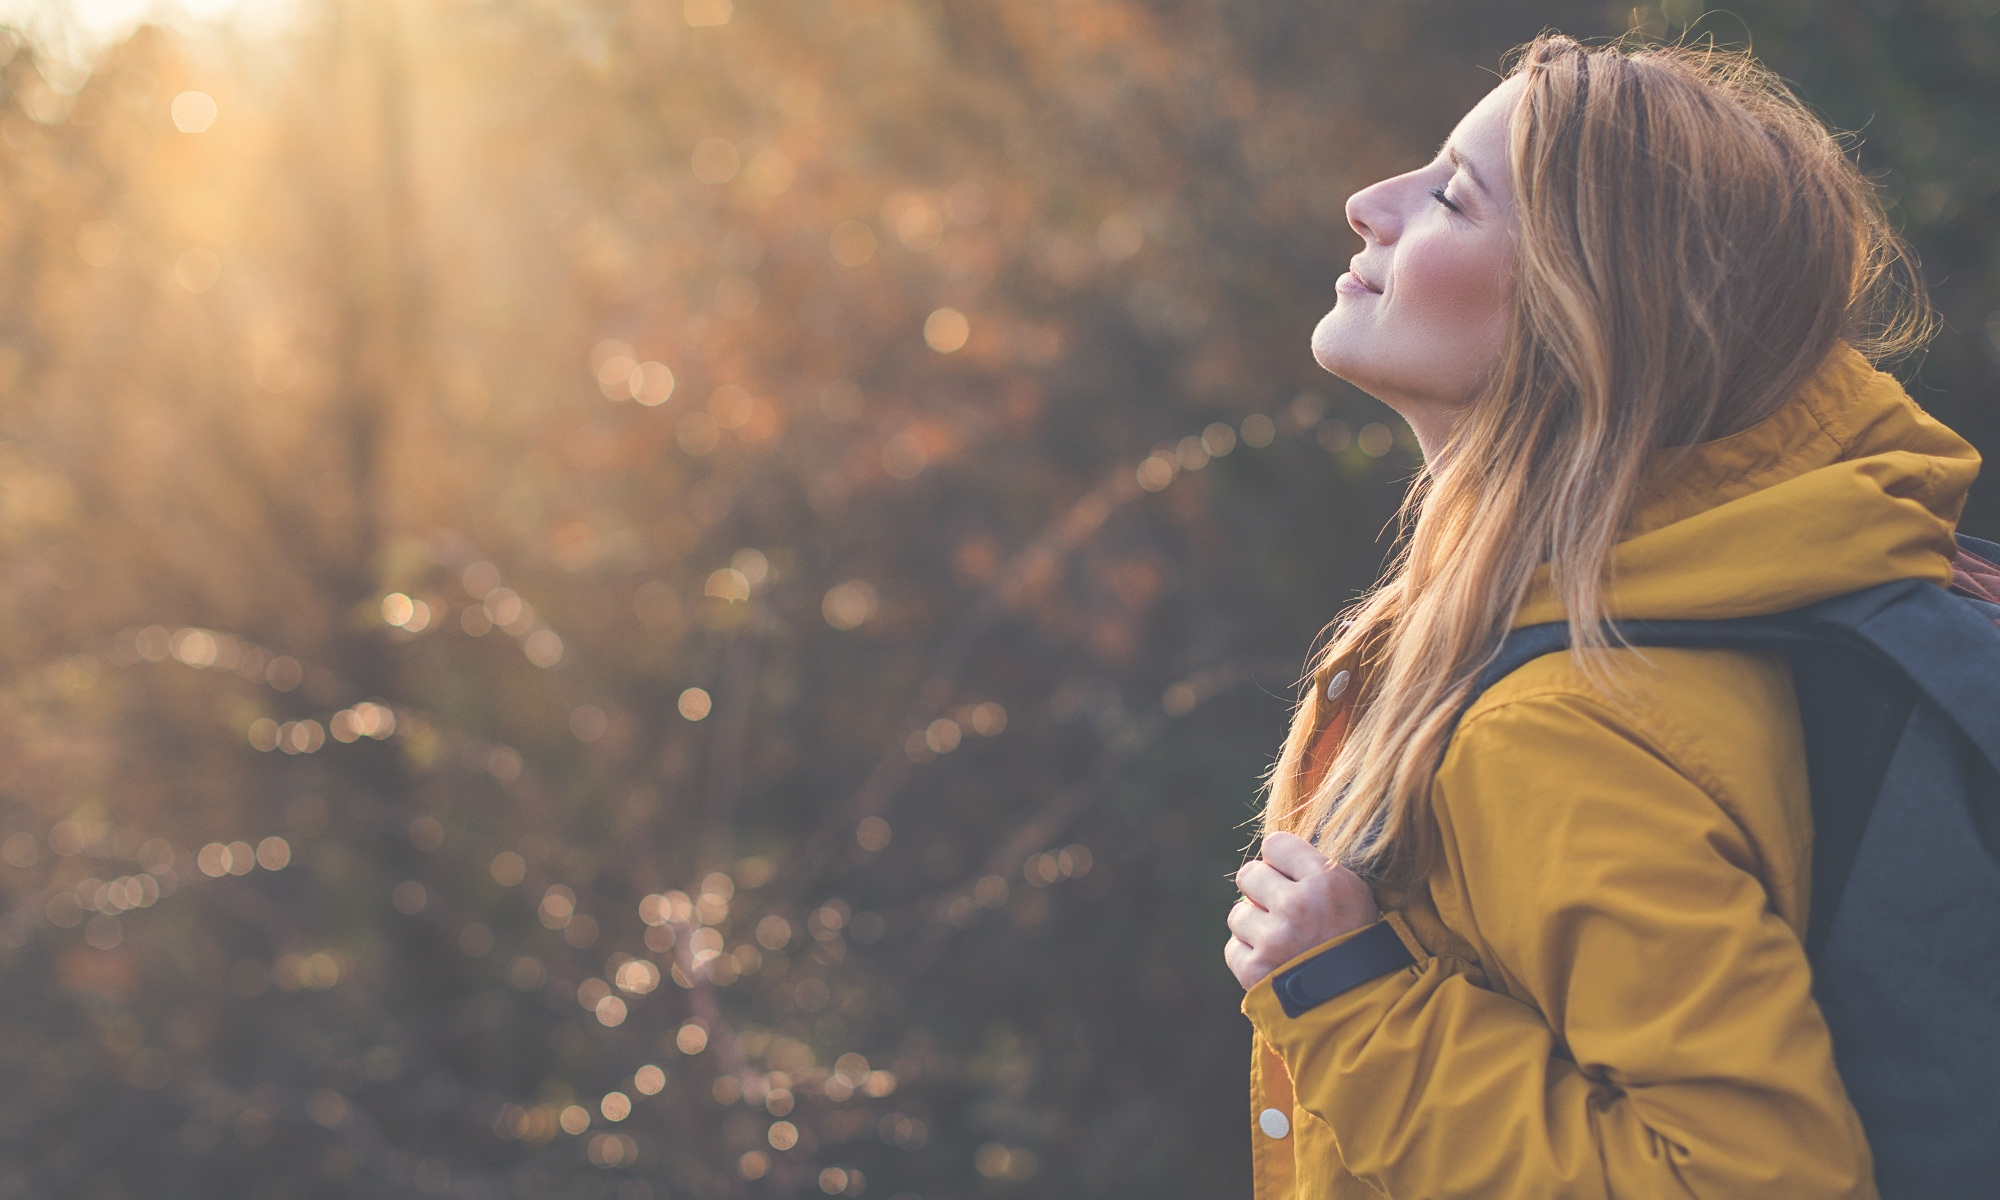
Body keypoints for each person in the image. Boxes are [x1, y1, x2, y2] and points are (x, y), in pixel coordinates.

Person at [1221, 33, 1980, 1200]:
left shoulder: (1558, 727)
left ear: (1579, 318)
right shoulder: (1728, 590)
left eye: (1450, 199)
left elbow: (1755, 1180)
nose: (1368, 204)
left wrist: (1351, 1004)